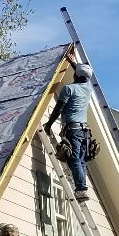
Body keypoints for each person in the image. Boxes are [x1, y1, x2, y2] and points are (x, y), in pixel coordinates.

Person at [45, 62, 94, 202]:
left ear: (75, 74)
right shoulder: (88, 88)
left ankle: (81, 189)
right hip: (85, 131)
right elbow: (84, 75)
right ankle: (82, 189)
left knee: (74, 159)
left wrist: (49, 124)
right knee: (81, 160)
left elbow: (58, 109)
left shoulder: (69, 89)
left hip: (73, 129)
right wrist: (74, 64)